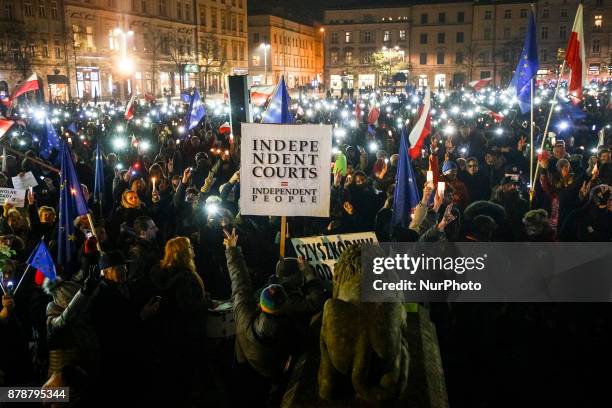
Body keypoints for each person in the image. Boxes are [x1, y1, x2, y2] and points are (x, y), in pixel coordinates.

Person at [224, 228, 298, 406]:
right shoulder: (288, 330)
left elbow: (239, 281)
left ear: (261, 303)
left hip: (243, 374)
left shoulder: (244, 316)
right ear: (283, 307)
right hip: (269, 382)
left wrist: (232, 250)